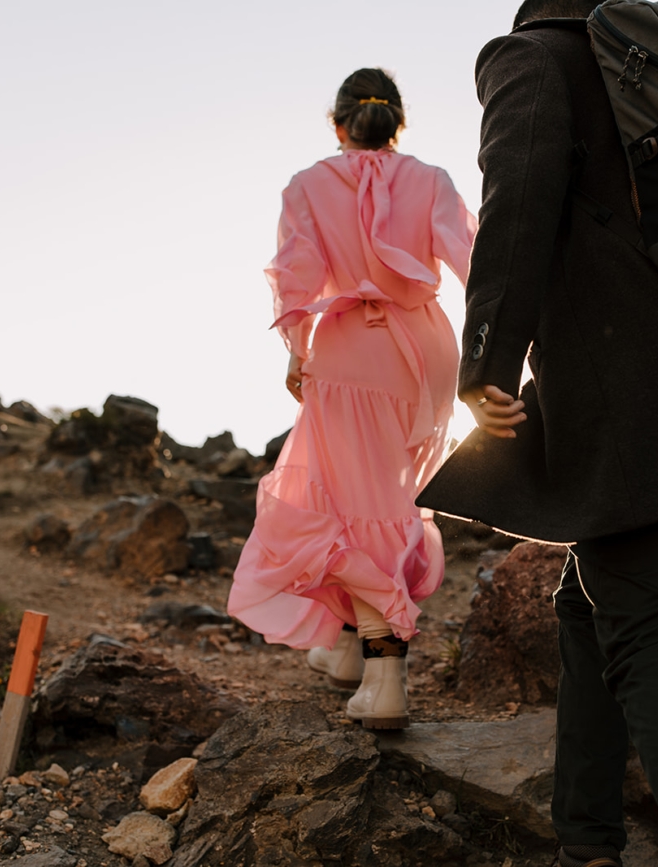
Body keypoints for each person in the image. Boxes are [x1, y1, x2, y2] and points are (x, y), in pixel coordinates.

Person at [416, 2, 658, 865]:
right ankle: (586, 839)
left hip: (629, 385)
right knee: (588, 596)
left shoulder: (534, 58)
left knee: (648, 636)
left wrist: (486, 359)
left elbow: (517, 201)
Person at [227, 68, 476, 730]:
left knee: (348, 503)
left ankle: (386, 677)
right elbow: (476, 261)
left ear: (338, 124)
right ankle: (346, 652)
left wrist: (296, 350)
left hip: (347, 353)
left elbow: (296, 278)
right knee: (386, 501)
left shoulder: (307, 185)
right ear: (399, 122)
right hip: (425, 352)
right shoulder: (433, 179)